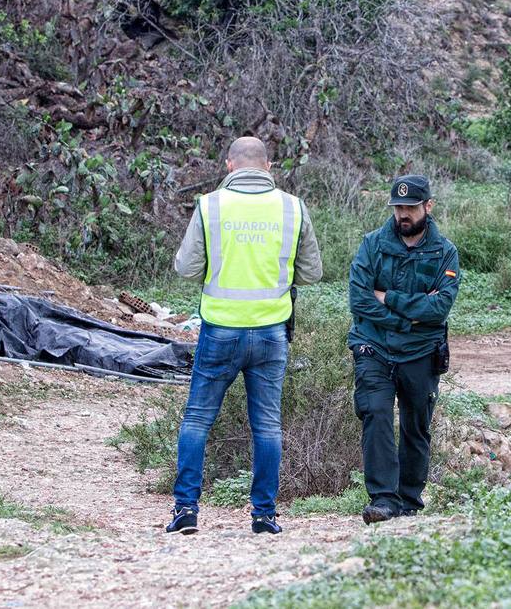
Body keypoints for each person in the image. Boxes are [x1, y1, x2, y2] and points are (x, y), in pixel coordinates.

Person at [167, 136, 322, 535]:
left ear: (229, 166)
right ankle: (264, 515)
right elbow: (311, 273)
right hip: (271, 333)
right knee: (267, 425)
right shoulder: (292, 207)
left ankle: (186, 510)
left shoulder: (210, 205)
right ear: (268, 166)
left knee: (198, 419)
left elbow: (186, 268)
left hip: (220, 330)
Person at [348, 174, 460, 524]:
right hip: (374, 347)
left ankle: (409, 499)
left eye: (410, 207)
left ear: (428, 206)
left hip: (421, 352)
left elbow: (439, 307)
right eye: (398, 208)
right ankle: (382, 499)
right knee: (376, 414)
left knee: (416, 424)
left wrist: (390, 298)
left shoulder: (445, 252)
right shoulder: (372, 245)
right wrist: (407, 318)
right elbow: (359, 300)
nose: (403, 215)